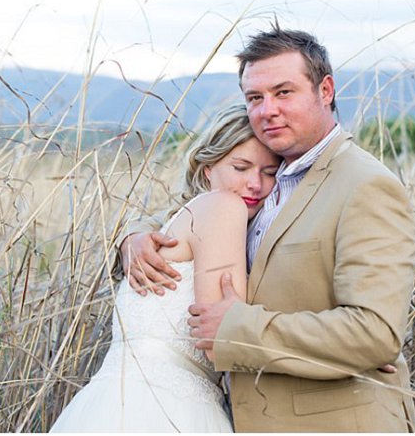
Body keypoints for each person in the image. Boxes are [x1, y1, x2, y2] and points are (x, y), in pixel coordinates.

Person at [121, 26, 415, 432]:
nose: (267, 110)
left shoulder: (364, 185)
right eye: (255, 98)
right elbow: (190, 213)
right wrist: (134, 237)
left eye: (284, 92)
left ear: (325, 90)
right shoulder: (265, 178)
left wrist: (238, 330)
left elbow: (374, 333)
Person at [51, 104, 281, 432]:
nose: (255, 184)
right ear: (207, 169)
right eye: (241, 168)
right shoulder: (223, 207)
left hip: (109, 403)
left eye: (269, 172)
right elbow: (221, 342)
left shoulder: (176, 222)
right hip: (169, 409)